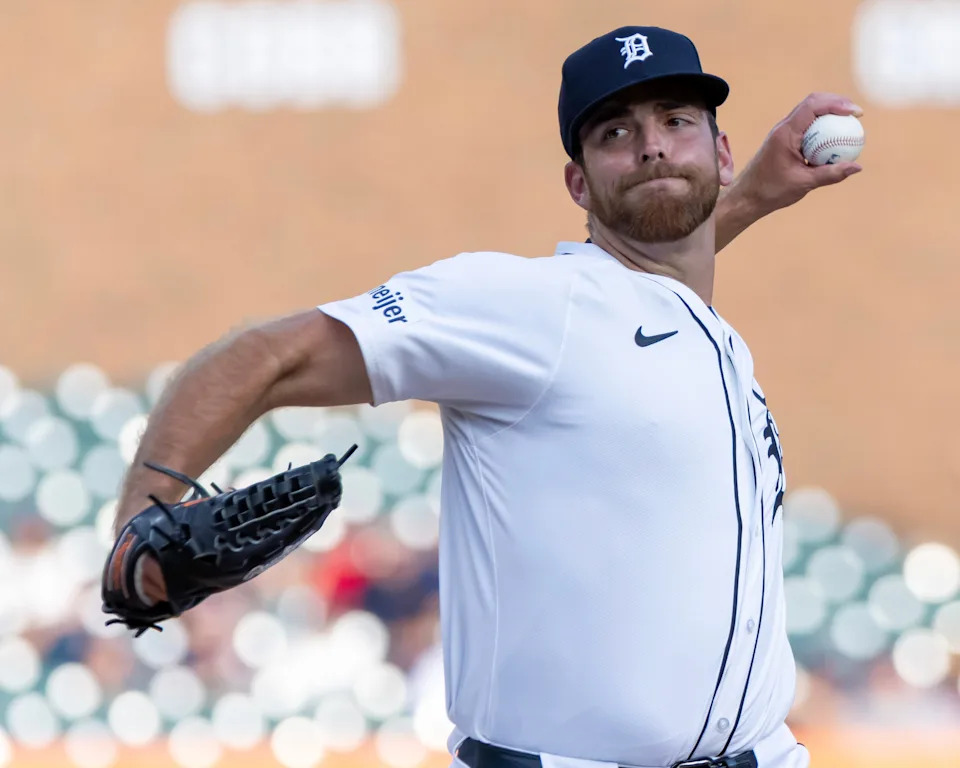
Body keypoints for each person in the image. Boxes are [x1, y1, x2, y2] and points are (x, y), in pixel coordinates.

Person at [106, 25, 862, 768]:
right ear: (579, 183)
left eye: (676, 121)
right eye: (615, 132)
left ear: (722, 153)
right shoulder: (531, 307)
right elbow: (268, 355)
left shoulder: (701, 332)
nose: (653, 145)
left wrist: (755, 195)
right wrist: (141, 516)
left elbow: (658, 285)